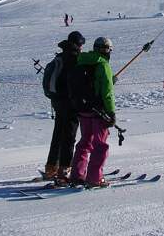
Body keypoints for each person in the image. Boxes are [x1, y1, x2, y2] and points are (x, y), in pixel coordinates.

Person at [69, 37, 117, 188]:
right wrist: (111, 112)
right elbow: (107, 92)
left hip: (83, 110)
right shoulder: (103, 65)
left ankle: (77, 174)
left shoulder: (82, 60)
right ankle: (95, 178)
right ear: (106, 50)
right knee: (100, 145)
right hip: (99, 111)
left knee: (85, 141)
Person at [44, 31, 85, 181]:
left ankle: (51, 168)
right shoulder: (74, 59)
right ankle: (64, 169)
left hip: (57, 101)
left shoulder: (60, 57)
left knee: (58, 134)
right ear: (78, 44)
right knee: (69, 136)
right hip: (70, 103)